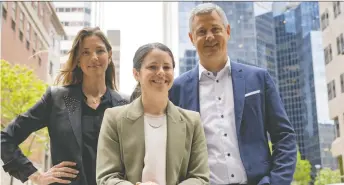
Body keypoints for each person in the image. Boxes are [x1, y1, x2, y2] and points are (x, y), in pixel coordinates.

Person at [168, 3, 297, 185]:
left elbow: (284, 137)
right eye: (202, 31)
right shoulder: (176, 90)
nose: (210, 36)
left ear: (227, 31)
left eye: (215, 29)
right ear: (191, 37)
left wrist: (277, 181)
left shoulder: (259, 78)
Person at [1, 27, 128, 185]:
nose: (94, 57)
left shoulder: (126, 104)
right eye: (85, 52)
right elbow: (6, 138)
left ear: (109, 56)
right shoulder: (56, 99)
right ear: (78, 60)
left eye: (100, 51)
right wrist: (35, 175)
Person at [96, 43, 209, 185]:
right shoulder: (113, 118)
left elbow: (200, 177)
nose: (161, 72)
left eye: (167, 67)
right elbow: (106, 177)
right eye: (152, 67)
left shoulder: (192, 121)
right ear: (136, 74)